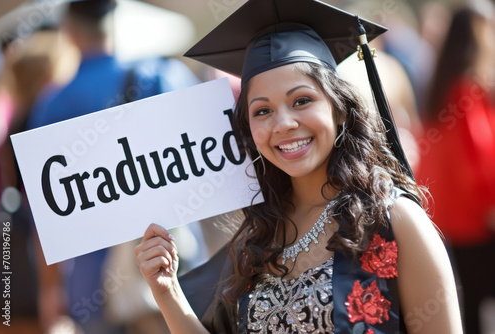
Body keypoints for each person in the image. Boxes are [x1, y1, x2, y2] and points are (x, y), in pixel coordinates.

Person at [135, 0, 462, 333]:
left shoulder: (392, 220)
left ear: (340, 109)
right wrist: (167, 292)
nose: (284, 123)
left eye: (302, 100)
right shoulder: (255, 241)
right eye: (262, 111)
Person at [27, 1, 198, 333]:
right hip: (178, 268)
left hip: (94, 289)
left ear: (70, 32)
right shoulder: (168, 76)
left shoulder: (54, 104)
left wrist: (49, 289)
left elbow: (46, 215)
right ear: (115, 24)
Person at [417, 2, 495, 333]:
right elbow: (480, 162)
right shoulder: (465, 90)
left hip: (448, 220)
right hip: (475, 221)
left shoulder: (441, 87)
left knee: (470, 307)